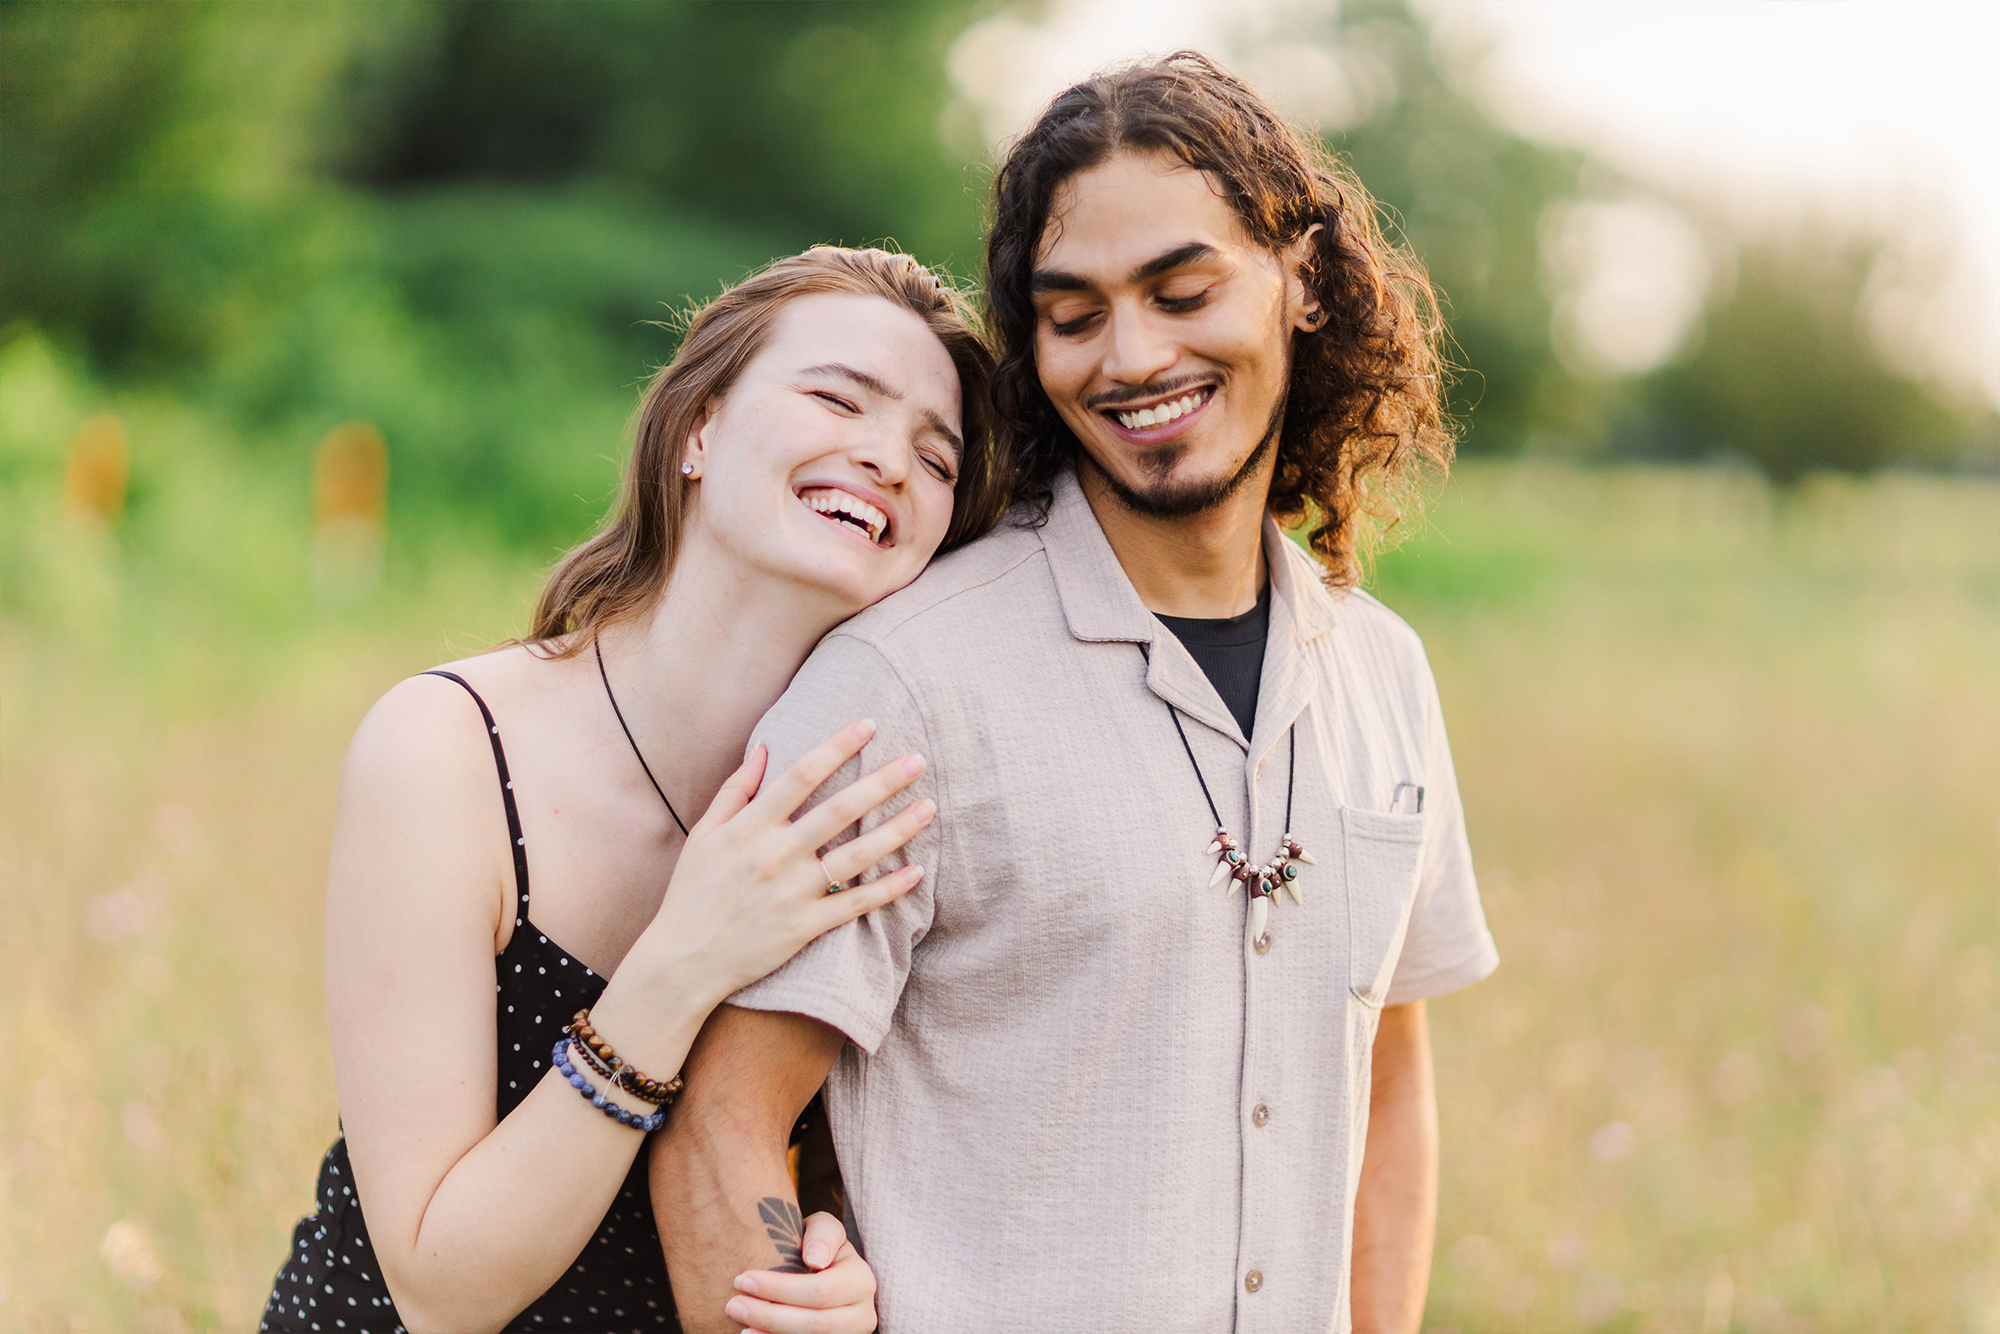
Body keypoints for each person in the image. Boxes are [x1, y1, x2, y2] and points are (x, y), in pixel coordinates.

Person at [651, 53, 1499, 1334]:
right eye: (1074, 312)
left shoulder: (1386, 672)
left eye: (1181, 289)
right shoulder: (905, 684)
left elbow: (1385, 1084)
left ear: (1303, 283)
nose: (1133, 355)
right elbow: (716, 1119)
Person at [260, 246, 1009, 1334]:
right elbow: (438, 1286)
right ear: (697, 429)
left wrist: (830, 1261)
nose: (888, 457)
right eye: (837, 397)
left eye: (935, 457)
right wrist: (682, 958)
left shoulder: (877, 805)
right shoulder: (447, 751)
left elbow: (825, 1161)